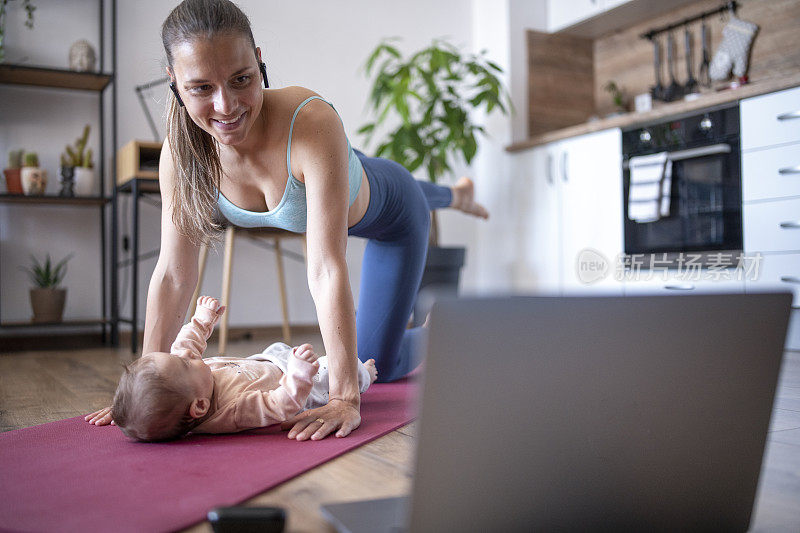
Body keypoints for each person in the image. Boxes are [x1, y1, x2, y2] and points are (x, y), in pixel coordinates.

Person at [86, 0, 488, 440]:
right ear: (174, 82)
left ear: (260, 61)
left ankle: (440, 320)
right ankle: (455, 193)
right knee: (357, 168)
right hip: (334, 172)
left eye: (241, 79)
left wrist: (344, 398)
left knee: (380, 366)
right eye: (201, 88)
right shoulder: (181, 155)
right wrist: (147, 387)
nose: (226, 106)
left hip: (392, 215)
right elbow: (173, 275)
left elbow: (325, 269)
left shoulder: (311, 120)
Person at [112, 296, 376, 442]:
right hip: (299, 384)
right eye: (185, 363)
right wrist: (298, 374)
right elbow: (278, 405)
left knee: (284, 350)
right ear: (200, 407)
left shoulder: (190, 382)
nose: (186, 357)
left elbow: (185, 345)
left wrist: (201, 319)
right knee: (337, 365)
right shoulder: (234, 411)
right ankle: (365, 374)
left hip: (266, 361)